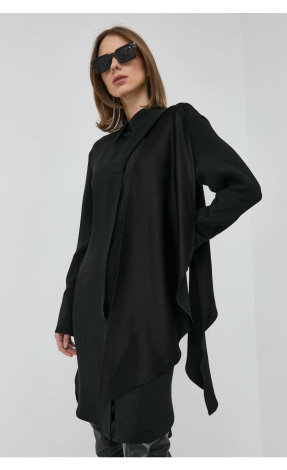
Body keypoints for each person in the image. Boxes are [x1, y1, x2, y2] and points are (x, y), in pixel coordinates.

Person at [54, 26, 262, 457]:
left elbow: (243, 187)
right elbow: (87, 238)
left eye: (124, 53)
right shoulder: (101, 152)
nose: (114, 66)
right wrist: (67, 312)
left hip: (145, 309)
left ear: (144, 60)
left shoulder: (178, 125)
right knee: (105, 435)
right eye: (103, 63)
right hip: (92, 311)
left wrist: (182, 235)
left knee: (144, 436)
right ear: (99, 79)